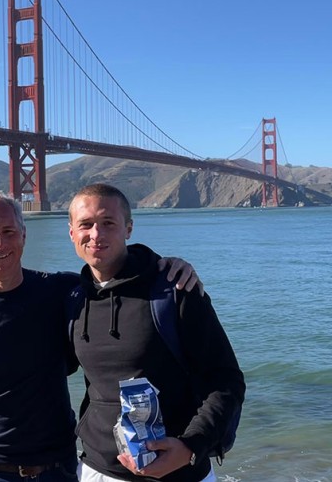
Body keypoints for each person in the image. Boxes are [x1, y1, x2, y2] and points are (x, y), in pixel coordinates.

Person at [0, 190, 201, 482]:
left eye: (9, 231)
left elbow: (116, 276)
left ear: (23, 236)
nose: (0, 243)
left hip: (60, 470)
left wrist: (165, 267)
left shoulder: (62, 291)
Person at [67, 183, 246, 482]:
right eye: (86, 224)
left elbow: (227, 381)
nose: (96, 234)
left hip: (180, 471)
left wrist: (191, 446)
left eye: (108, 223)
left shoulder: (176, 289)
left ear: (129, 229)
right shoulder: (71, 297)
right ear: (72, 232)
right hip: (98, 469)